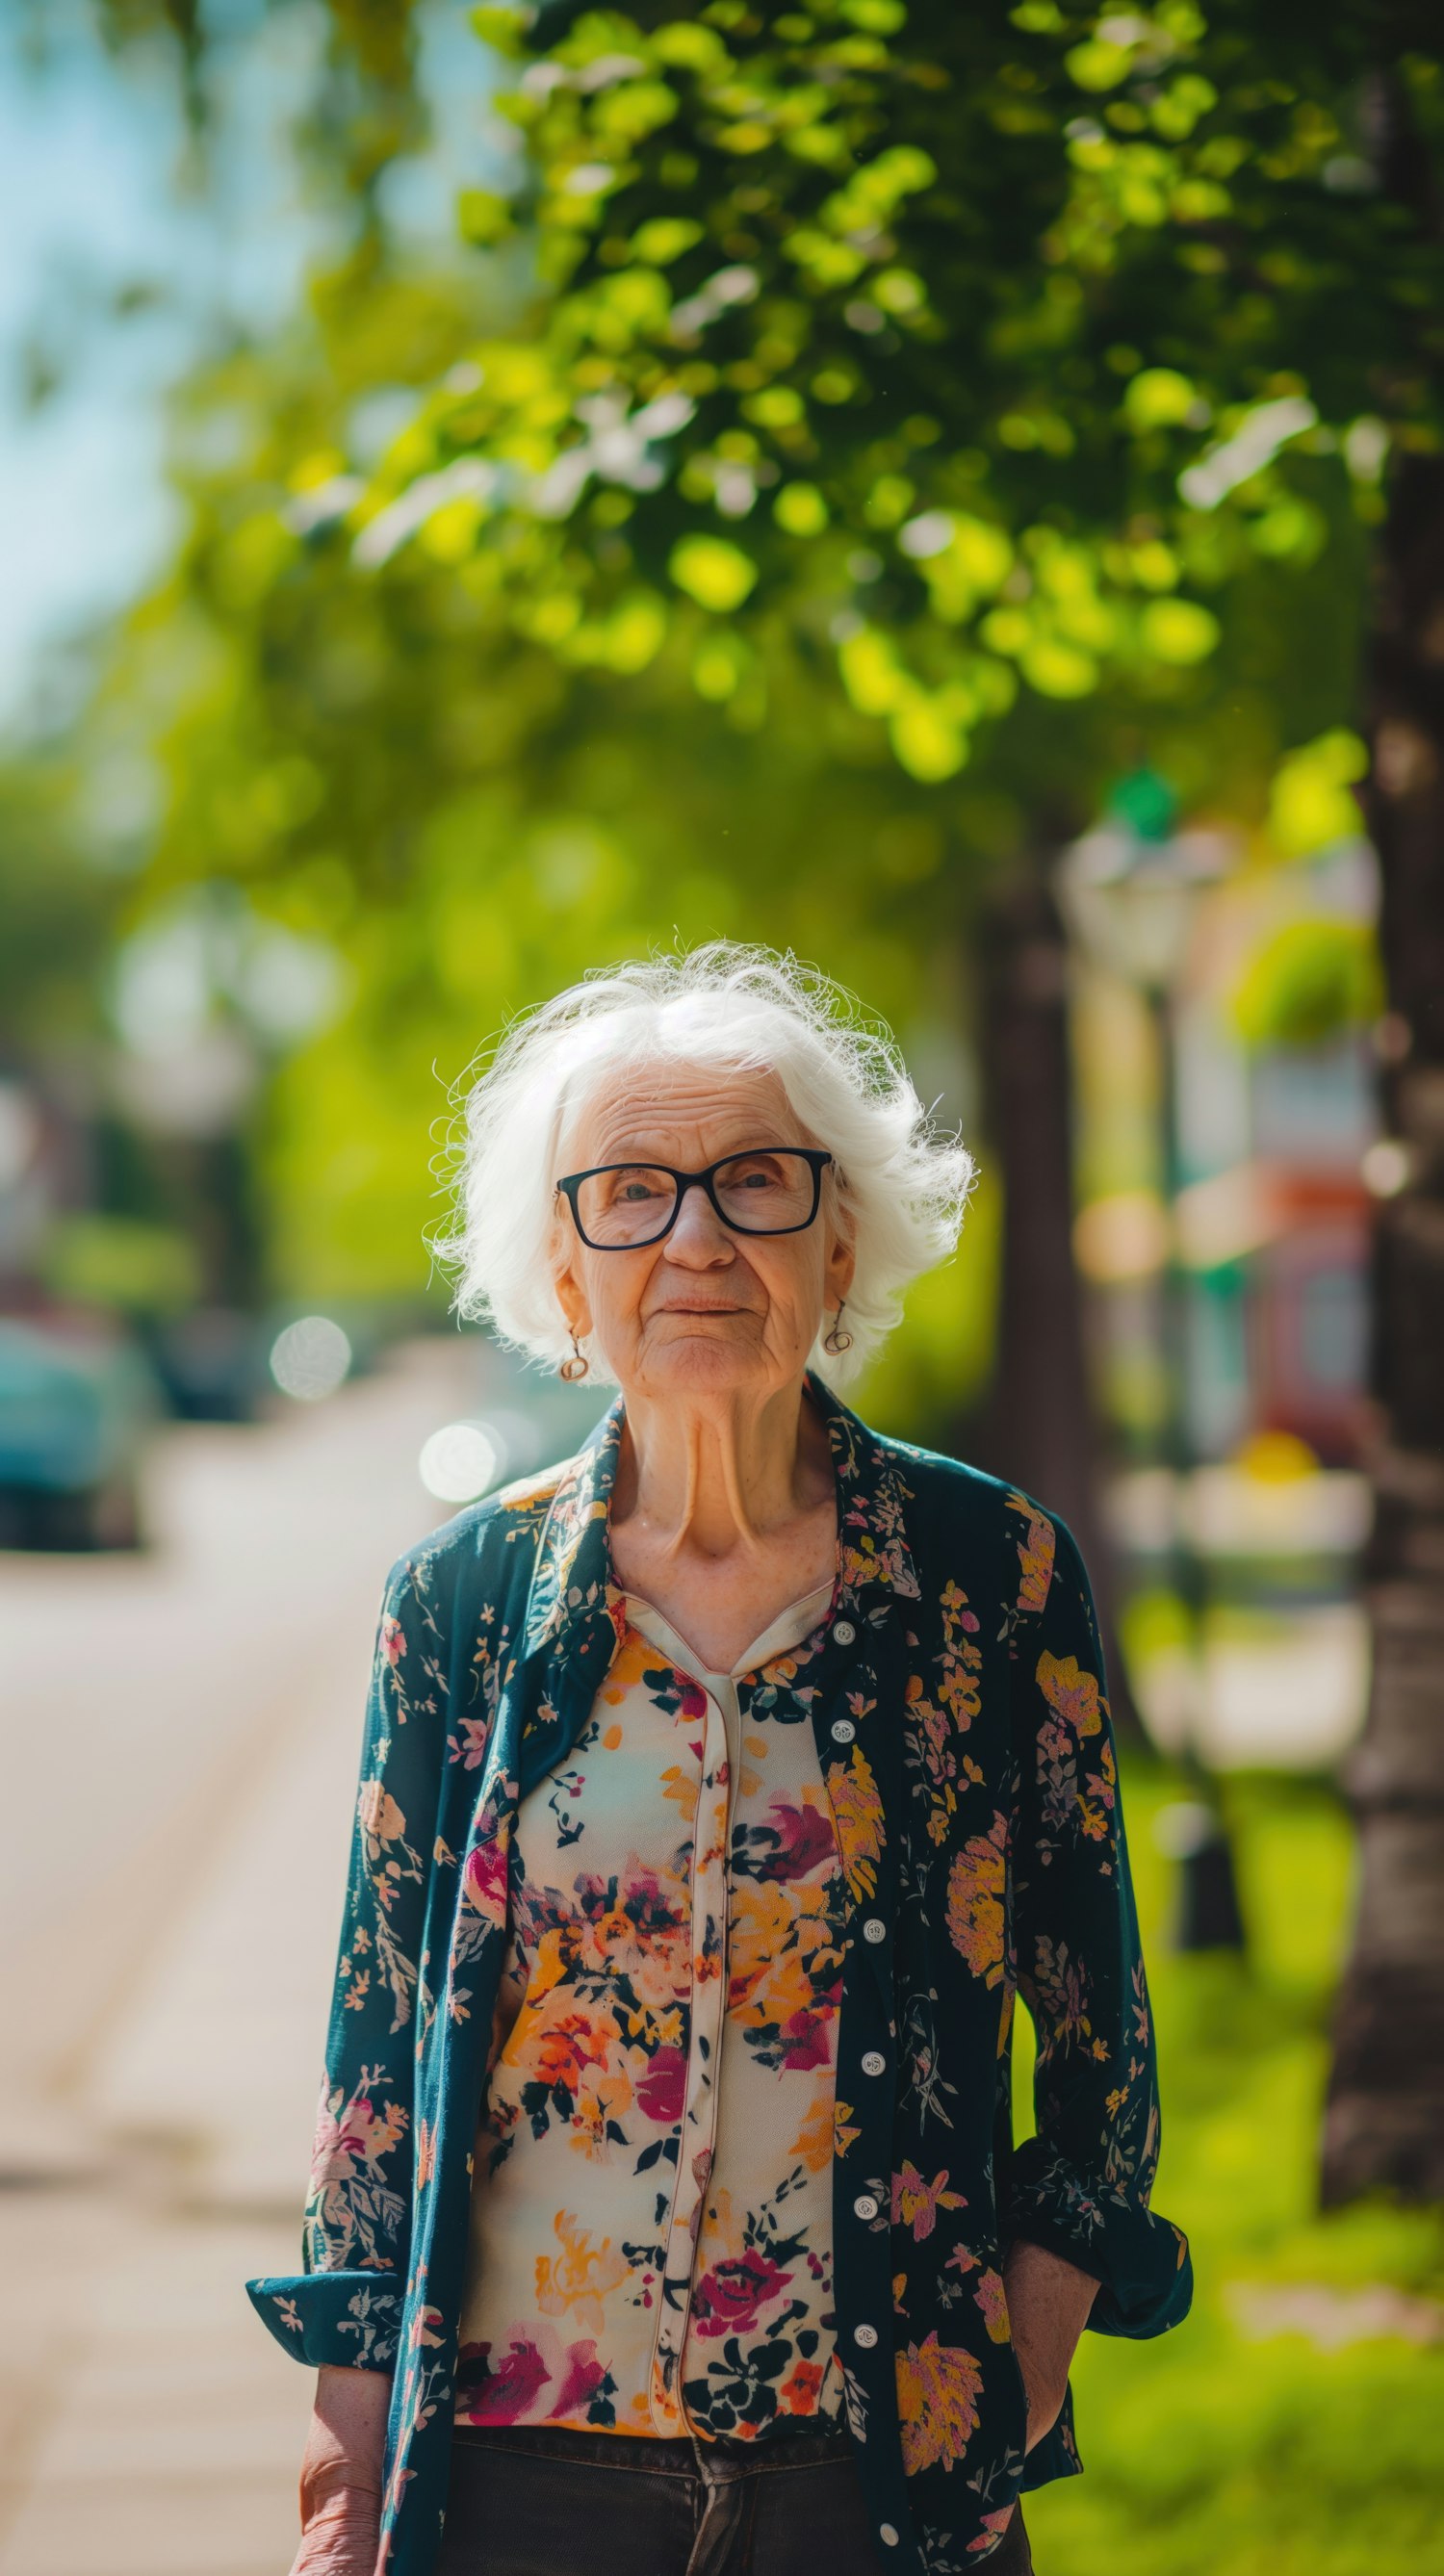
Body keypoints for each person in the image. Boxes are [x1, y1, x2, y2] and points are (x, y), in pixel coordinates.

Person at [249, 943, 1192, 2576]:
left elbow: (1094, 2005)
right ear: (564, 1275)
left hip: (880, 2470)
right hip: (520, 2472)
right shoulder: (459, 1600)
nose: (695, 1238)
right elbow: (377, 2046)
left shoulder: (992, 1576)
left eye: (754, 1183)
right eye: (630, 1192)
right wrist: (345, 2449)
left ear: (839, 1243)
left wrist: (1038, 2329)